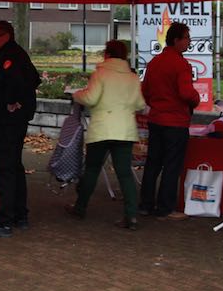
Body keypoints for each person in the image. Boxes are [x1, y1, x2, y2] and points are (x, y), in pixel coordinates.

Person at [65, 40, 146, 230]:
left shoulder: (100, 74)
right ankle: (131, 216)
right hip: (125, 130)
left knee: (92, 169)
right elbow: (140, 104)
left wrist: (76, 94)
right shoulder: (132, 77)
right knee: (125, 174)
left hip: (102, 129)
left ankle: (80, 207)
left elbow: (91, 98)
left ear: (107, 54)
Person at [0, 20, 41, 237]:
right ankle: (19, 215)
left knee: (5, 167)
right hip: (12, 120)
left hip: (8, 122)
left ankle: (5, 221)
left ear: (6, 35)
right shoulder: (14, 54)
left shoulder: (10, 56)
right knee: (14, 166)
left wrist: (12, 102)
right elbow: (33, 79)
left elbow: (21, 82)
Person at [140, 22, 200, 220]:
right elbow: (186, 93)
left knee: (153, 163)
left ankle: (145, 204)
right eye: (187, 38)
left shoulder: (154, 62)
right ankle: (165, 208)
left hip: (156, 118)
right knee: (172, 165)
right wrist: (196, 99)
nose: (189, 42)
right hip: (176, 121)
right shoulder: (181, 65)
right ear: (177, 40)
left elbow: (145, 91)